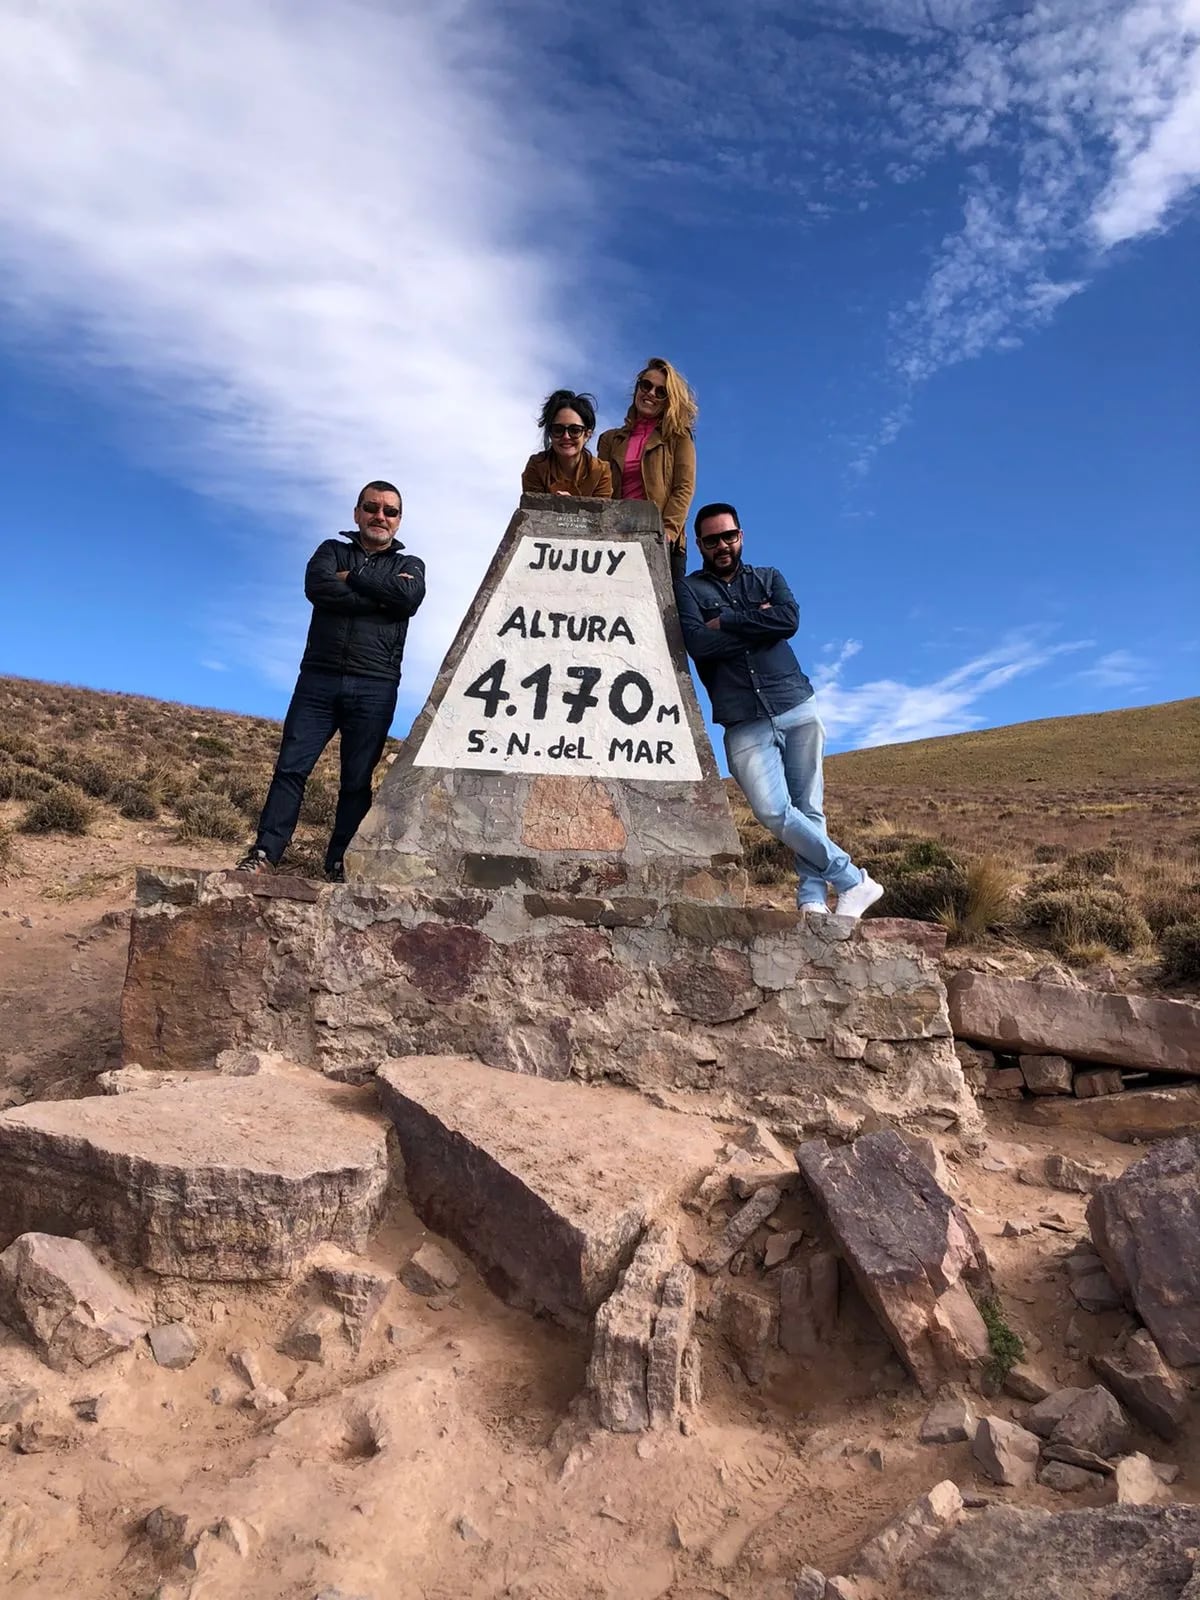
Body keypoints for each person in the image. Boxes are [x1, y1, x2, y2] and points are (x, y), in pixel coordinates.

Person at [676, 502, 883, 918]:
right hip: (741, 718)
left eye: (729, 536)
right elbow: (698, 644)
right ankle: (853, 880)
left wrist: (728, 622)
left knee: (808, 806)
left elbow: (788, 621)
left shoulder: (769, 577)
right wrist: (757, 623)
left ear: (741, 536)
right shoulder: (689, 589)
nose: (722, 545)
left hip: (795, 703)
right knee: (773, 810)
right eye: (712, 539)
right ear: (699, 544)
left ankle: (811, 900)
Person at [236, 480, 425, 883]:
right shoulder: (330, 551)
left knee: (356, 783)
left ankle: (339, 864)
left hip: (376, 685)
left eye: (389, 511)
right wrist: (380, 599)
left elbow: (408, 600)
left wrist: (352, 579)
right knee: (290, 769)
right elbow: (318, 588)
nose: (380, 516)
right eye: (372, 508)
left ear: (398, 520)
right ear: (356, 513)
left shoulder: (411, 566)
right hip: (318, 681)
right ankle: (266, 852)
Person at [598, 357, 697, 581]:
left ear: (669, 400)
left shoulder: (679, 437)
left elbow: (684, 487)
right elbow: (600, 489)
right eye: (646, 385)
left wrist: (668, 531)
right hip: (617, 536)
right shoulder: (610, 439)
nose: (651, 393)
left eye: (661, 392)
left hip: (661, 538)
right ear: (637, 388)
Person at [521, 390, 613, 498]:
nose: (566, 436)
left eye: (574, 430)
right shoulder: (536, 466)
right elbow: (532, 509)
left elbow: (602, 513)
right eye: (558, 430)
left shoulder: (601, 471)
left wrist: (571, 504)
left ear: (587, 435)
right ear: (550, 433)